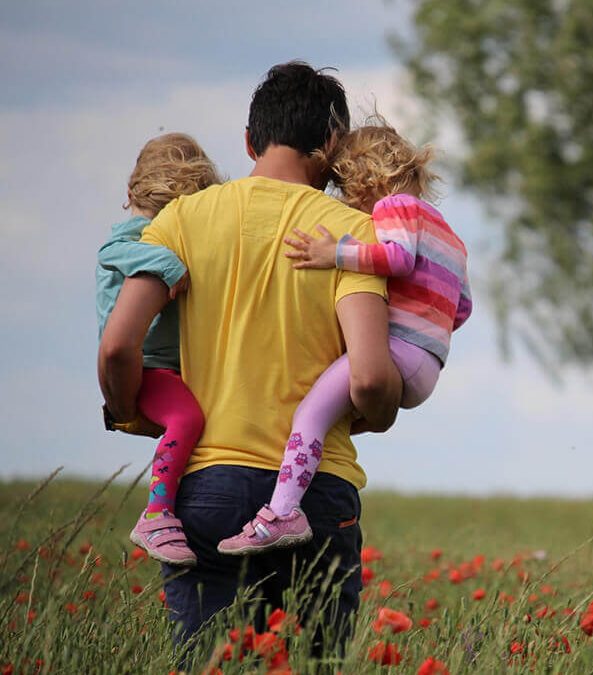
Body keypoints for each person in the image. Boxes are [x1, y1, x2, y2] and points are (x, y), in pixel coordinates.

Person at [98, 61, 402, 647]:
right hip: (316, 494)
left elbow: (117, 345)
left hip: (206, 488)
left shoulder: (179, 220)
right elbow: (368, 378)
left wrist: (129, 409)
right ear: (333, 144)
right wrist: (381, 411)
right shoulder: (352, 234)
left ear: (248, 140)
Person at [218, 122, 472, 554]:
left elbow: (396, 257)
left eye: (345, 187)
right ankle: (296, 490)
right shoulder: (450, 234)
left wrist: (333, 253)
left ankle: (282, 512)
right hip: (429, 364)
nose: (347, 201)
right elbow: (462, 307)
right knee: (332, 413)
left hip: (398, 351)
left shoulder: (395, 207)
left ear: (365, 178)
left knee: (310, 414)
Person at [96, 133, 221, 566]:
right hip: (147, 366)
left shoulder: (158, 231)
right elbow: (113, 251)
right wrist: (169, 264)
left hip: (166, 367)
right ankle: (157, 513)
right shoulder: (137, 236)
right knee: (187, 417)